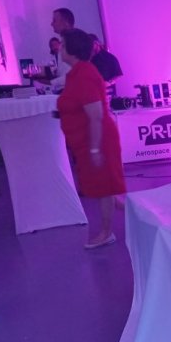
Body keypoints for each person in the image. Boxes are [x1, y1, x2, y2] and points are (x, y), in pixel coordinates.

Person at [57, 28, 126, 249]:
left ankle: (106, 232)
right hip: (87, 140)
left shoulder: (84, 74)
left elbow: (95, 116)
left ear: (72, 49)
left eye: (62, 44)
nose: (59, 48)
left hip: (98, 140)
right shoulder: (76, 73)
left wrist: (95, 149)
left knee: (104, 187)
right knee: (103, 186)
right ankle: (140, 214)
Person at [88, 33, 123, 100]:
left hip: (107, 93)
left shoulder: (110, 57)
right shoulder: (89, 59)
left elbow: (118, 74)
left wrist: (109, 82)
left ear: (96, 43)